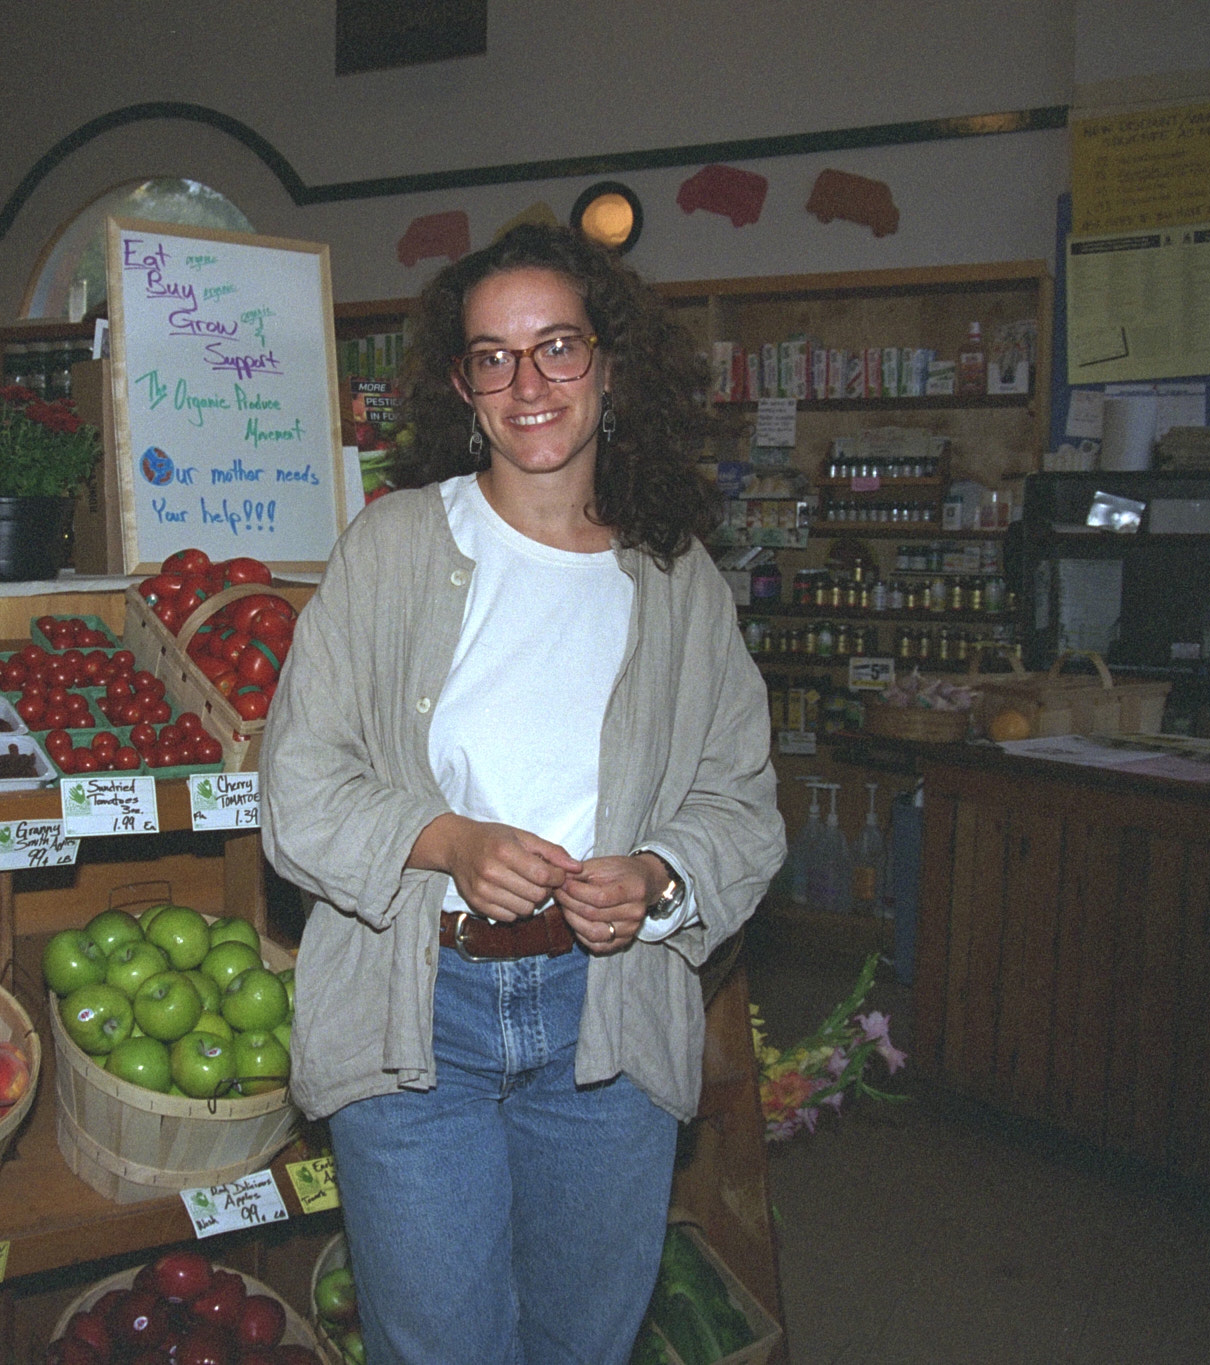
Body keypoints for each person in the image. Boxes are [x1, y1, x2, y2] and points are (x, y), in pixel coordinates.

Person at [259, 222, 784, 1365]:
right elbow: (297, 783)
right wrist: (443, 840)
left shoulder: (675, 580)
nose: (528, 384)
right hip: (416, 1010)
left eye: (556, 346)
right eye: (491, 357)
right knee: (437, 1344)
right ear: (461, 387)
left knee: (581, 1342)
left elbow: (741, 802)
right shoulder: (392, 547)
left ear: (609, 364)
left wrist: (658, 877)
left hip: (606, 1017)